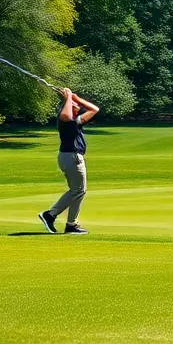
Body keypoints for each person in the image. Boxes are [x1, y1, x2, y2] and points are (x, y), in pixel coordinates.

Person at [38, 88, 100, 234]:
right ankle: (50, 214)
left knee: (78, 191)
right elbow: (66, 113)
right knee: (78, 190)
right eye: (76, 106)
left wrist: (75, 97)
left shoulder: (75, 122)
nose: (79, 108)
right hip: (71, 157)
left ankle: (71, 224)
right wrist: (69, 98)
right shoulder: (65, 119)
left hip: (71, 157)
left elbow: (94, 109)